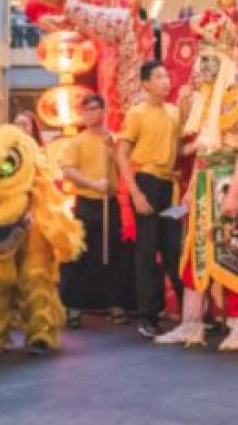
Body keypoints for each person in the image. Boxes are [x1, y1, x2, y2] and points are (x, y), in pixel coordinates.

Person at [156, 10, 238, 351]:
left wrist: (234, 193)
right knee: (195, 254)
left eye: (207, 61)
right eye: (199, 60)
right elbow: (202, 152)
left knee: (233, 251)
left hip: (228, 182)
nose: (200, 68)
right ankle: (192, 323)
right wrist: (190, 191)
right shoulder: (205, 106)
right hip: (204, 184)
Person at [116, 60, 186, 338]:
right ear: (145, 84)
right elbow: (121, 154)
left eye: (166, 76)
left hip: (169, 187)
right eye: (158, 77)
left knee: (174, 249)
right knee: (148, 251)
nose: (165, 81)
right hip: (146, 183)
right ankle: (148, 316)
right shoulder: (136, 114)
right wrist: (135, 193)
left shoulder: (174, 112)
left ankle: (190, 314)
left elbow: (178, 149)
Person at [60, 94, 131, 328]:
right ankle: (73, 307)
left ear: (103, 111)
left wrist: (113, 150)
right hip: (86, 203)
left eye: (94, 109)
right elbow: (68, 170)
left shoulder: (114, 140)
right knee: (79, 254)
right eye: (86, 110)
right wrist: (93, 184)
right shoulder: (76, 142)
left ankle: (116, 304)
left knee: (113, 254)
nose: (89, 114)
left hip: (109, 203)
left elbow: (125, 165)